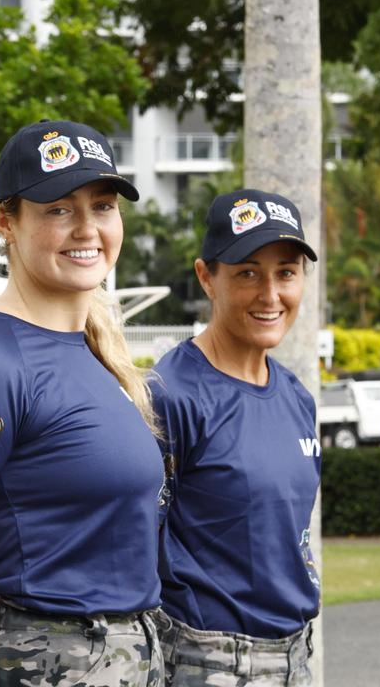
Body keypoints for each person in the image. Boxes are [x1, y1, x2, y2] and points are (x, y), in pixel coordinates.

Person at [0, 120, 166, 686]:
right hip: (41, 659)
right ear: (4, 221)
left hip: (124, 656)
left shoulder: (93, 350)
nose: (87, 228)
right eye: (58, 209)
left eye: (103, 205)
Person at [151, 189, 320, 686]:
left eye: (285, 273)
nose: (270, 294)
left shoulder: (296, 397)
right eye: (248, 272)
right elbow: (135, 543)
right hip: (208, 660)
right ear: (207, 277)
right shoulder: (171, 393)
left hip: (295, 657)